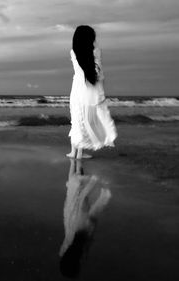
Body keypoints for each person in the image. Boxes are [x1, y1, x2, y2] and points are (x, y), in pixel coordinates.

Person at [67, 25, 117, 159]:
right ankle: (79, 154)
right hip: (89, 88)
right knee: (86, 120)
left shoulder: (73, 52)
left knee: (76, 119)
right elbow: (99, 73)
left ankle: (73, 152)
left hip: (76, 88)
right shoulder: (96, 51)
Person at [59, 159, 111, 278]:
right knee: (77, 193)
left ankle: (78, 163)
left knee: (80, 195)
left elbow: (91, 214)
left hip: (76, 221)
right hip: (73, 218)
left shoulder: (78, 243)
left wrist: (98, 185)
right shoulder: (72, 247)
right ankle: (78, 163)